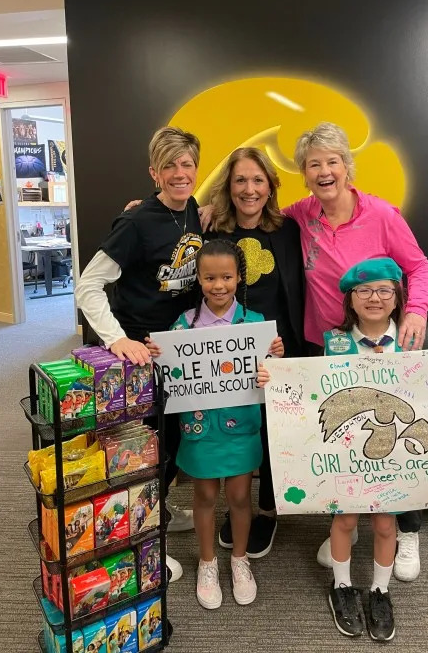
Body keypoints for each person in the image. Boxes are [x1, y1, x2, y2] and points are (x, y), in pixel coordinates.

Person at [258, 257, 428, 641]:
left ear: (397, 298)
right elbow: (309, 393)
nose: (374, 298)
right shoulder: (333, 344)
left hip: (394, 464)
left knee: (385, 524)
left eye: (384, 291)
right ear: (350, 301)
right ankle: (342, 587)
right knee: (345, 522)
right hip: (349, 462)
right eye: (363, 291)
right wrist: (274, 377)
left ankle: (381, 591)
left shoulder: (414, 344)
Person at [285, 122, 428, 579]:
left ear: (347, 167)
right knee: (346, 439)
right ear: (305, 175)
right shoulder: (300, 214)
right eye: (314, 165)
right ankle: (342, 530)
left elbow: (419, 266)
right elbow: (251, 211)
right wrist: (203, 210)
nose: (324, 171)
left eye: (332, 161)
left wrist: (417, 311)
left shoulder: (382, 214)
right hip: (326, 347)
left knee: (390, 431)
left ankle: (406, 529)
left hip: (381, 345)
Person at [75, 125, 205, 581]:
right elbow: (88, 286)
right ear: (154, 172)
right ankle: (142, 543)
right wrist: (115, 339)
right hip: (141, 357)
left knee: (172, 442)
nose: (179, 173)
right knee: (142, 451)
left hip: (180, 352)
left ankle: (158, 513)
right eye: (168, 165)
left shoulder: (195, 214)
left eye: (186, 164)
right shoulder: (135, 222)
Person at [146, 239, 284, 609]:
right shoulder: (181, 327)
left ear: (239, 278)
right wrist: (158, 352)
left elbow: (275, 381)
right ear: (199, 280)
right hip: (200, 432)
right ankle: (208, 562)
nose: (218, 285)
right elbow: (168, 373)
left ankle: (239, 560)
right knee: (204, 497)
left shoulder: (256, 326)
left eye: (226, 277)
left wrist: (275, 362)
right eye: (210, 278)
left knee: (240, 498)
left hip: (241, 430)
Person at [207, 147, 305, 558]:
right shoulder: (210, 228)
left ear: (271, 186)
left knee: (271, 430)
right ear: (228, 188)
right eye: (240, 180)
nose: (249, 189)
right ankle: (238, 506)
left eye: (258, 180)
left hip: (278, 350)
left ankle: (268, 509)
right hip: (224, 350)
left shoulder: (288, 228)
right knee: (235, 428)